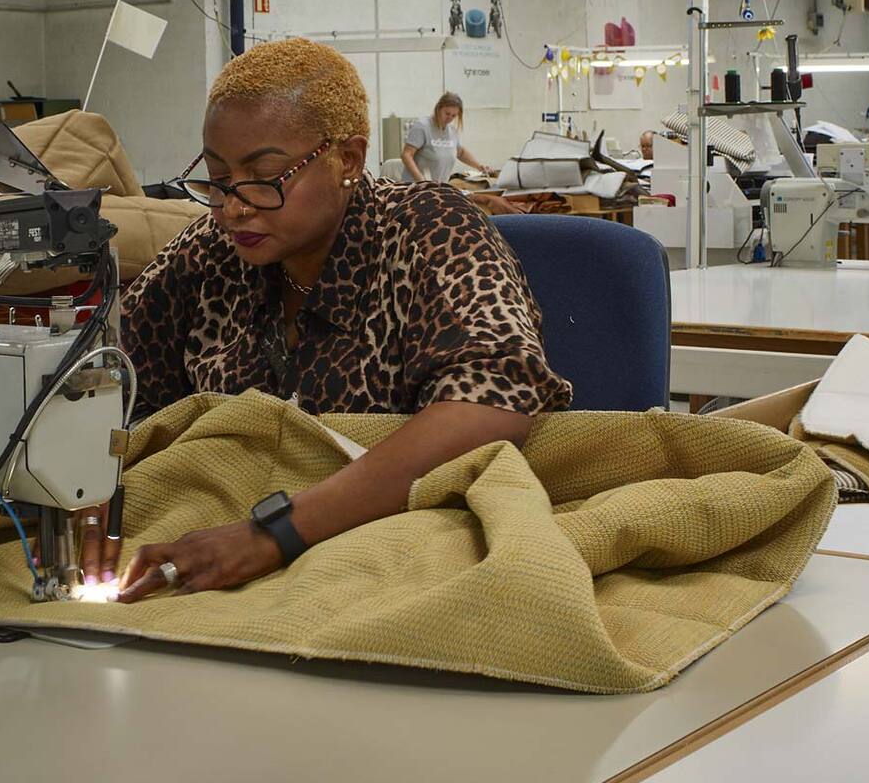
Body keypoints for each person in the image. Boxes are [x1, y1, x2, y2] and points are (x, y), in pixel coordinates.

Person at [94, 38, 571, 603]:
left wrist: (272, 534)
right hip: (230, 539)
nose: (234, 207)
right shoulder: (211, 254)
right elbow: (110, 380)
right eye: (218, 179)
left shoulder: (429, 230)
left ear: (347, 159)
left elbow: (492, 402)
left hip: (394, 547)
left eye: (265, 176)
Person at [401, 92, 492, 183]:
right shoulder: (422, 127)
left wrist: (479, 166)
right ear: (438, 109)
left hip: (439, 185)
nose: (450, 118)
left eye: (454, 115)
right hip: (417, 185)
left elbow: (460, 152)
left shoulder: (451, 130)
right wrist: (421, 179)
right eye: (447, 114)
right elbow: (406, 155)